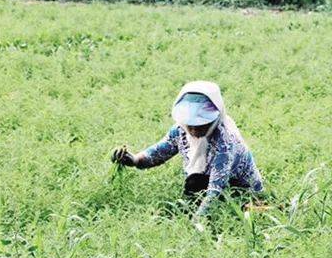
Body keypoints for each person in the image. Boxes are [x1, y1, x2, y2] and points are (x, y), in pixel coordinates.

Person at [111, 81, 264, 222]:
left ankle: (260, 207)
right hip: (207, 181)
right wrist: (134, 159)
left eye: (201, 124)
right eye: (190, 124)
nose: (194, 130)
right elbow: (159, 152)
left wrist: (196, 221)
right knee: (193, 184)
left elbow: (216, 189)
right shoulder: (180, 131)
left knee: (239, 209)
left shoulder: (225, 142)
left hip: (239, 188)